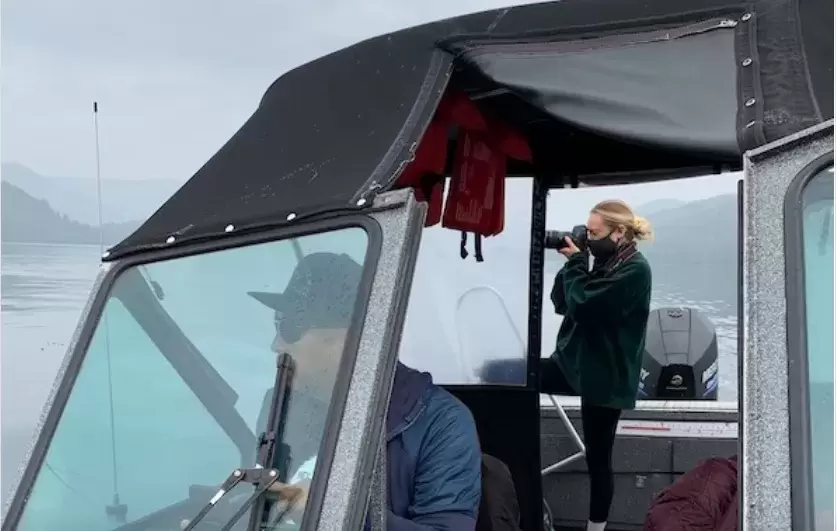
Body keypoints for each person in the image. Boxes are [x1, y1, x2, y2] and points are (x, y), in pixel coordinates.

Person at [247, 251, 483, 530]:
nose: (276, 345)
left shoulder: (443, 423)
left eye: (287, 328)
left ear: (344, 338)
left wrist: (339, 511)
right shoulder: (279, 407)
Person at [543, 199, 653, 531]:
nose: (588, 239)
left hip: (606, 376)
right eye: (586, 232)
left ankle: (595, 528)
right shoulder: (605, 261)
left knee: (598, 458)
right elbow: (562, 302)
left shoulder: (634, 269)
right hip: (574, 363)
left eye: (595, 233)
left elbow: (585, 307)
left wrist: (578, 261)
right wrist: (574, 263)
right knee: (508, 375)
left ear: (619, 233)